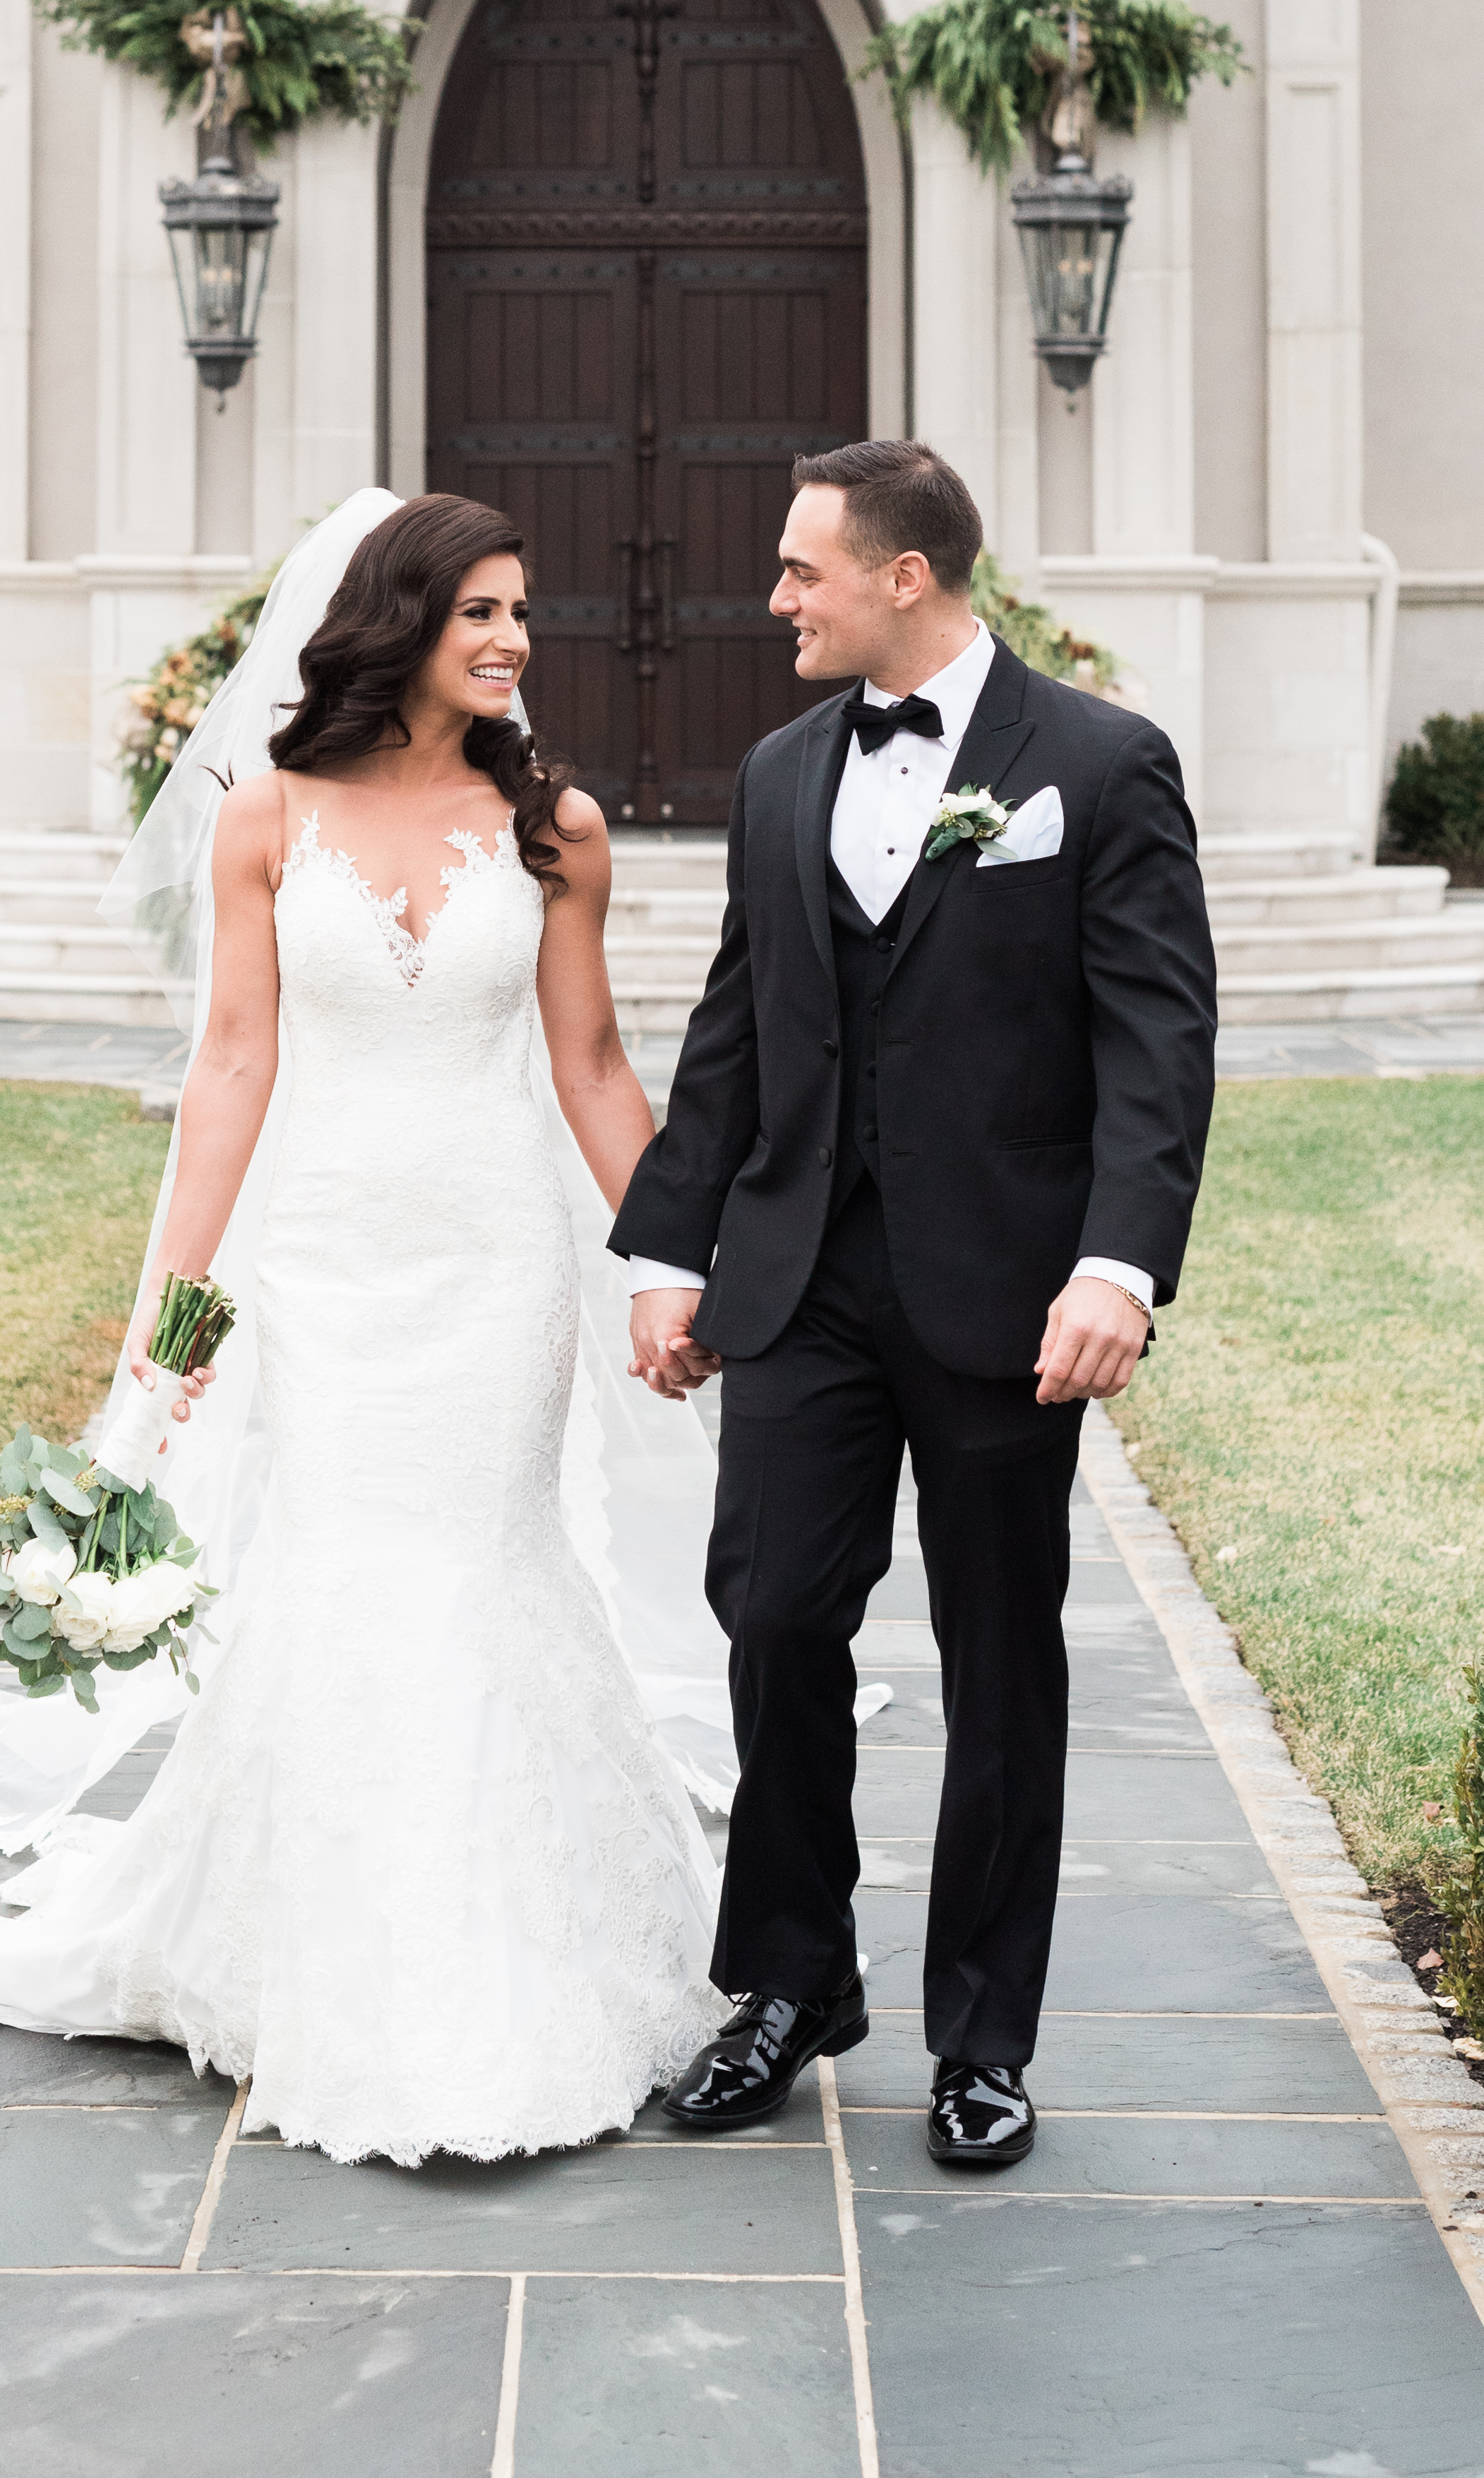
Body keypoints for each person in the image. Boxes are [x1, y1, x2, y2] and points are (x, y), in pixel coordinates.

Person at [0, 493, 727, 2166]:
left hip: (494, 1264)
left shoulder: (555, 826)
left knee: (480, 1567)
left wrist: (673, 1262)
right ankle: (323, 1964)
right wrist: (174, 1316)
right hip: (327, 1266)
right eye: (479, 611)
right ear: (398, 620)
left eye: (519, 612)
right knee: (342, 1572)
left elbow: (590, 1067)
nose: (509, 640)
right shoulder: (265, 816)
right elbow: (231, 1067)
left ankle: (502, 1955)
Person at [615, 437, 1216, 2169]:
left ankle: (982, 2040)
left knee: (997, 1663)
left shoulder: (1097, 765)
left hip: (1006, 1294)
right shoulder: (779, 769)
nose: (775, 597)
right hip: (800, 1280)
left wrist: (1118, 1265)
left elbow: (1155, 1039)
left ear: (904, 576)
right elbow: (735, 1033)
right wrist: (672, 1255)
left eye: (803, 569)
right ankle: (795, 1983)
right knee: (773, 1616)